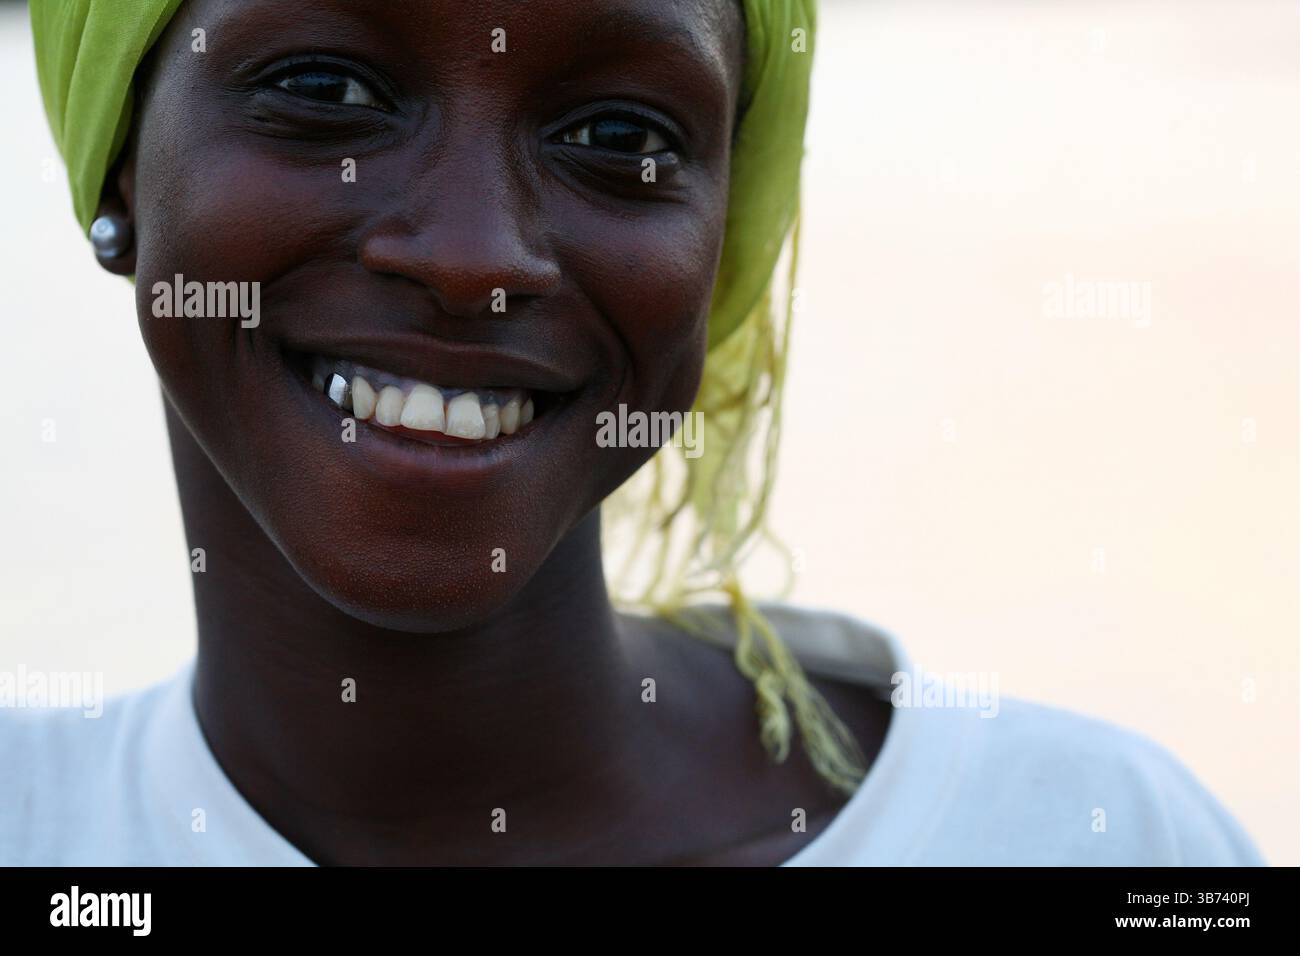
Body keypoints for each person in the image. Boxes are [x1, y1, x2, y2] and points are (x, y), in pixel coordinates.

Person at [1, 0, 1264, 866]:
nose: (472, 255)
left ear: (728, 236)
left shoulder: (1080, 837)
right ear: (119, 157)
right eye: (322, 89)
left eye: (619, 138)